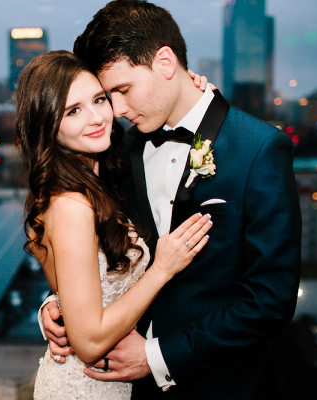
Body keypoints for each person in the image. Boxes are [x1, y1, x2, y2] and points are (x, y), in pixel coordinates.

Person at [41, 1, 302, 399]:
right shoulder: (119, 148)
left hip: (222, 384)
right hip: (126, 388)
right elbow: (95, 244)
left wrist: (156, 357)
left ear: (165, 62)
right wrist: (59, 305)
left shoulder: (259, 149)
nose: (117, 110)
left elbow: (270, 302)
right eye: (106, 95)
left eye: (122, 90)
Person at [15, 50, 213, 399]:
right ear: (48, 125)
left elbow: (79, 283)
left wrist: (53, 305)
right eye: (73, 111)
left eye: (99, 100)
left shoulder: (98, 176)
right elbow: (89, 341)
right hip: (86, 385)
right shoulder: (73, 205)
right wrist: (162, 268)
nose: (97, 118)